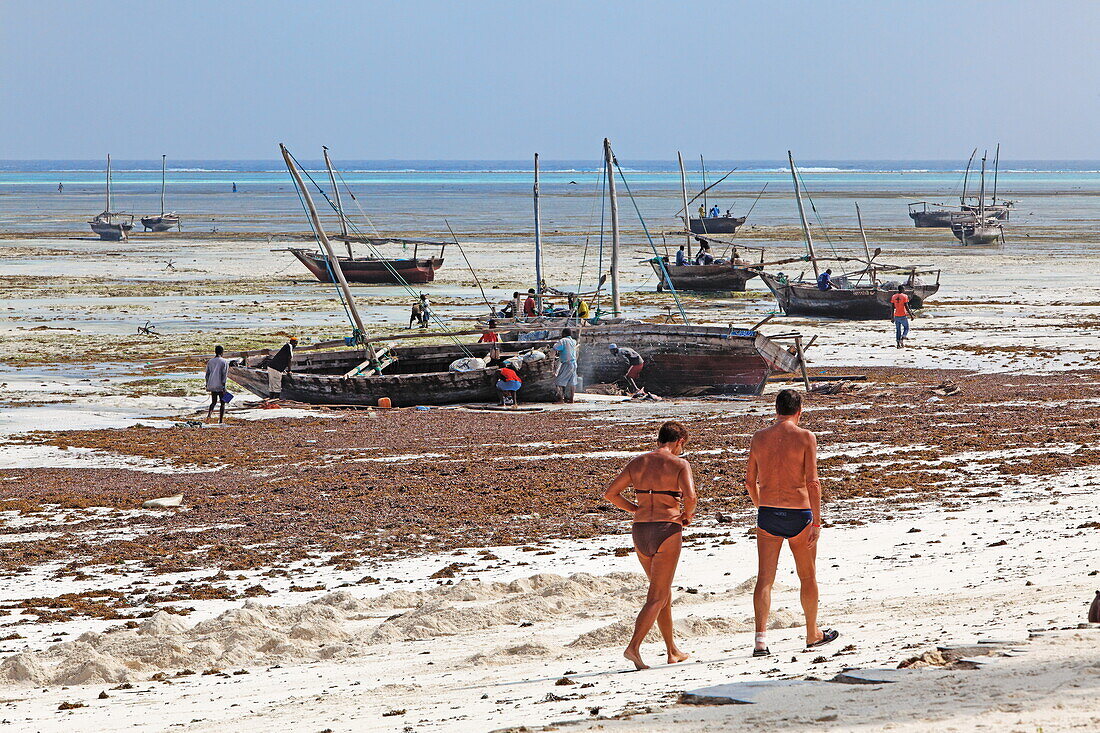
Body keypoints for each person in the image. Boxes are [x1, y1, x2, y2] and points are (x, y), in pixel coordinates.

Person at [745, 389, 838, 657]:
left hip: (769, 514)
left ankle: (760, 642)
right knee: (807, 576)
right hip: (799, 514)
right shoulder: (806, 437)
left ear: (776, 409)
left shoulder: (759, 437)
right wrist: (817, 523)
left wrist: (761, 506)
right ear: (800, 411)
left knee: (765, 578)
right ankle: (812, 633)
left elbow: (750, 481)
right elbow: (813, 482)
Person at [603, 420, 697, 670]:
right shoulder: (679, 463)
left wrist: (635, 508)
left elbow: (611, 494)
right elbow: (691, 496)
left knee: (661, 591)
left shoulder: (638, 462)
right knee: (657, 596)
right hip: (666, 529)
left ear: (658, 440)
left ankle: (672, 650)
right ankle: (633, 647)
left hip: (641, 530)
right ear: (679, 442)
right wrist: (687, 516)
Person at [205, 345, 231, 423]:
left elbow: (207, 375)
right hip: (220, 385)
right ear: (222, 352)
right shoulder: (224, 362)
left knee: (213, 402)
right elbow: (224, 375)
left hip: (212, 384)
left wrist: (207, 384)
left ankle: (209, 416)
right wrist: (223, 386)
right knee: (222, 403)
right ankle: (220, 420)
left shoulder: (210, 361)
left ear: (215, 352)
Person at [553, 328, 579, 403]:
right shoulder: (573, 341)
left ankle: (561, 399)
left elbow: (555, 347)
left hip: (567, 363)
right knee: (572, 382)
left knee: (558, 381)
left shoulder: (563, 341)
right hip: (574, 363)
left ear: (564, 334)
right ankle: (571, 399)